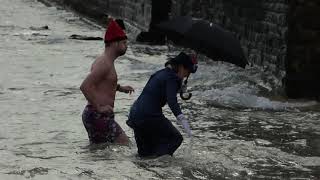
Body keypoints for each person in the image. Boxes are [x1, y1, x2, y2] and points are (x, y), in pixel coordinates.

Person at [126, 52, 198, 157]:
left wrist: (178, 87)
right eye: (188, 71)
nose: (187, 75)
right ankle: (159, 164)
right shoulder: (172, 78)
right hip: (149, 115)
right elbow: (172, 101)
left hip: (135, 115)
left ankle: (149, 167)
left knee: (144, 155)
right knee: (176, 139)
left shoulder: (161, 73)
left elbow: (159, 91)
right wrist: (182, 118)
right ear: (181, 67)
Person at [80, 19, 134, 145]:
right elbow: (85, 86)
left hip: (95, 116)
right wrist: (99, 107)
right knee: (127, 146)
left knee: (101, 154)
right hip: (98, 115)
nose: (127, 46)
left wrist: (120, 88)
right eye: (124, 42)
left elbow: (101, 84)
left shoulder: (105, 61)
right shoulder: (105, 63)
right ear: (115, 43)